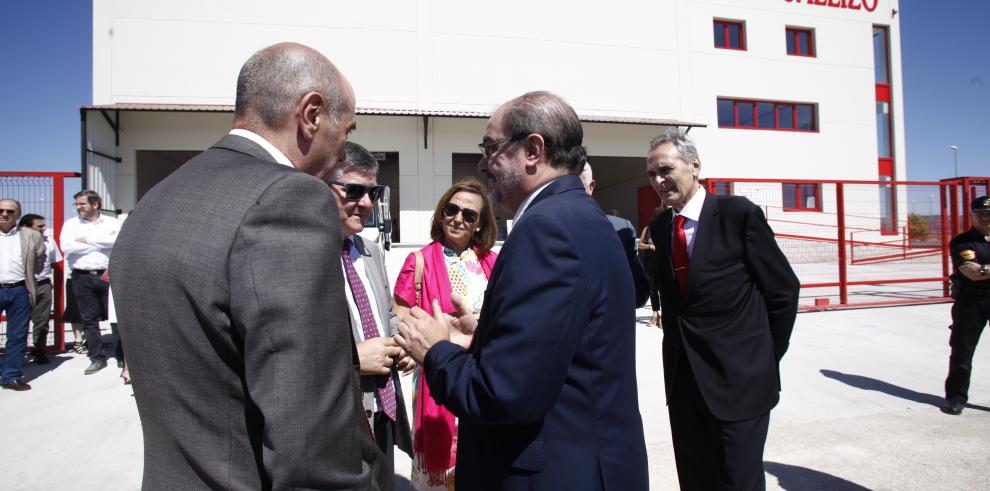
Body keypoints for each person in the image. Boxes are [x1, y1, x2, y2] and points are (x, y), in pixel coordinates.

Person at [111, 43, 389, 489]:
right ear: (312, 113)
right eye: (347, 127)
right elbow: (310, 438)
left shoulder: (157, 199)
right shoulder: (290, 198)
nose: (344, 147)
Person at [396, 91, 649, 490]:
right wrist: (481, 338)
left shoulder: (546, 229)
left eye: (490, 148)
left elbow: (505, 393)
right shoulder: (586, 218)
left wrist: (436, 352)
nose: (482, 164)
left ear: (533, 150)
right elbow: (566, 346)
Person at [646, 129, 800, 490]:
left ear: (695, 165)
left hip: (739, 384)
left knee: (737, 481)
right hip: (685, 385)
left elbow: (783, 290)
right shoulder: (661, 226)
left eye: (665, 169)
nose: (658, 180)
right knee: (697, 480)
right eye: (651, 174)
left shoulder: (737, 215)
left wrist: (763, 358)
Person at [391, 177, 499, 491]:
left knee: (480, 460)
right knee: (442, 470)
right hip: (436, 376)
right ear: (441, 213)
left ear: (480, 224)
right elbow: (399, 318)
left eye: (470, 215)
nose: (458, 218)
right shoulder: (419, 262)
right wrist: (408, 349)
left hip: (482, 377)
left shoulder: (493, 263)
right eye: (452, 209)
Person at [332, 141, 413, 480]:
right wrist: (353, 359)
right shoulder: (305, 253)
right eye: (353, 191)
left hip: (383, 409)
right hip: (342, 419)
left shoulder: (370, 250)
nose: (365, 203)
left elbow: (385, 315)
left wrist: (406, 341)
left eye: (373, 192)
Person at [942, 195, 990, 415]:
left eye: (989, 214)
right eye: (981, 214)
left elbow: (979, 271)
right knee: (962, 352)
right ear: (972, 215)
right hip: (972, 301)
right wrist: (981, 272)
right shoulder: (962, 242)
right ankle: (956, 398)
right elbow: (971, 274)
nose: (986, 218)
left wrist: (984, 269)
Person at [60, 190, 118, 374]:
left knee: (116, 319)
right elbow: (67, 246)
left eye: (82, 204)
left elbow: (117, 242)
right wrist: (102, 243)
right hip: (81, 278)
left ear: (95, 204)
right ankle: (97, 357)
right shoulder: (70, 225)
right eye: (76, 204)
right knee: (89, 320)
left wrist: (87, 240)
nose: (78, 208)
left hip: (108, 276)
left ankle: (122, 357)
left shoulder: (111, 222)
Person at [578, 160, 649, 308]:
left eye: (577, 185)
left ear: (591, 187)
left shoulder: (621, 229)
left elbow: (639, 293)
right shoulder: (540, 227)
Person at [0, 200, 45, 391]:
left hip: (20, 290)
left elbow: (40, 261)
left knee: (17, 336)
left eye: (10, 211)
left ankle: (11, 376)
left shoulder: (31, 236)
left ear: (18, 215)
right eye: (0, 210)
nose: (4, 214)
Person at [18, 214, 63, 364]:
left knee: (42, 321)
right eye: (40, 226)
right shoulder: (17, 241)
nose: (43, 229)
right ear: (26, 227)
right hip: (22, 286)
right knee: (19, 322)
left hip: (43, 284)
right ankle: (18, 352)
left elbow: (55, 262)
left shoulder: (50, 242)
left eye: (44, 226)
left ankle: (39, 350)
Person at [638, 206, 663, 327]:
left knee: (664, 291)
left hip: (663, 263)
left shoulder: (666, 228)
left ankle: (663, 315)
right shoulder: (647, 229)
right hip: (650, 264)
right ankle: (655, 314)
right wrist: (649, 246)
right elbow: (640, 244)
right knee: (653, 290)